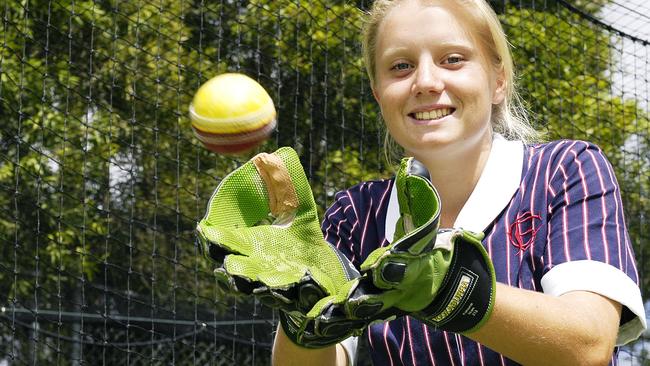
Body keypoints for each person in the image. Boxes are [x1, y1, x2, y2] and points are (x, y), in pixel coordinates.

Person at [271, 0, 647, 364]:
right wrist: (301, 314)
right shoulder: (356, 215)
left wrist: (446, 288)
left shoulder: (564, 170)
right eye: (400, 66)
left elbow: (588, 346)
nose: (426, 82)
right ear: (378, 95)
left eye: (452, 59)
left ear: (498, 80)